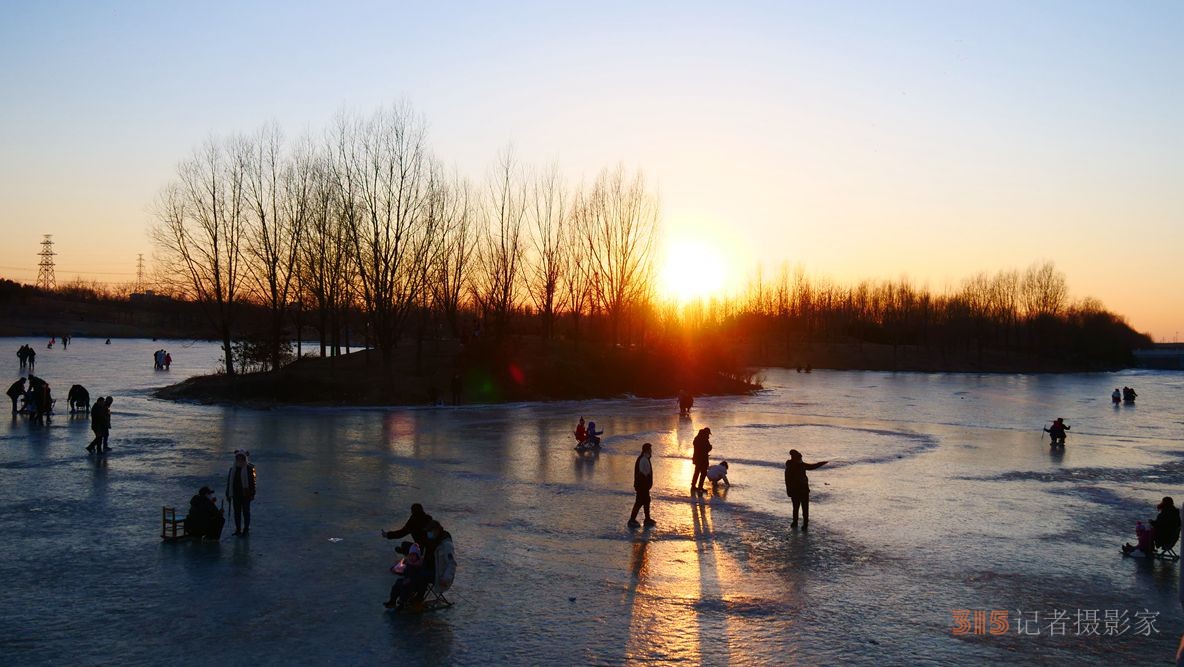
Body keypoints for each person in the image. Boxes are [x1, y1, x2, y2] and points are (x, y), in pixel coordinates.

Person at [785, 449, 829, 530]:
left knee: (805, 508)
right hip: (795, 491)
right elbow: (787, 480)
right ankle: (795, 522)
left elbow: (812, 466)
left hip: (804, 490)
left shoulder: (801, 464)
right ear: (794, 458)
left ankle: (805, 524)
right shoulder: (790, 467)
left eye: (800, 458)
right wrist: (789, 491)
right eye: (799, 458)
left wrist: (821, 463)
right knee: (796, 508)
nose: (801, 460)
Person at [226, 450, 257, 536]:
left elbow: (252, 482)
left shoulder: (249, 469)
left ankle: (246, 529)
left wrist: (252, 493)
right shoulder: (232, 469)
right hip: (235, 494)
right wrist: (228, 494)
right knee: (237, 513)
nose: (239, 459)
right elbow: (229, 482)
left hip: (245, 494)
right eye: (238, 458)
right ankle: (238, 529)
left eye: (241, 458)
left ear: (244, 458)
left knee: (246, 512)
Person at [628, 442, 656, 528]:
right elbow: (643, 473)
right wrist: (646, 482)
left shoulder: (645, 458)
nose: (651, 451)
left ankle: (647, 519)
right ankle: (632, 520)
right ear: (647, 450)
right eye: (650, 449)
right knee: (639, 502)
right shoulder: (643, 459)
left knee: (646, 501)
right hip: (641, 486)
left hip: (643, 486)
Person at [691, 427, 712, 494]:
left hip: (697, 458)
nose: (708, 435)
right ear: (706, 433)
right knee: (703, 473)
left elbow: (698, 447)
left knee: (697, 472)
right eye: (708, 434)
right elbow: (706, 448)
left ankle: (693, 486)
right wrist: (710, 447)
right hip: (703, 459)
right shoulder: (704, 439)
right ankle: (699, 487)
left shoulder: (697, 438)